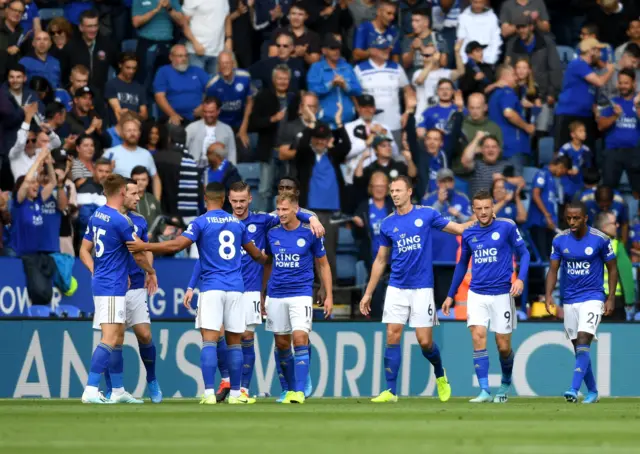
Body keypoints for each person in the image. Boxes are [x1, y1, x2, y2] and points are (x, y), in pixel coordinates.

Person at [127, 182, 266, 405]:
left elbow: (175, 246)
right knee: (235, 344)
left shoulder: (200, 222)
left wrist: (145, 246)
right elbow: (256, 255)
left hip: (212, 288)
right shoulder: (237, 224)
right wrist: (268, 260)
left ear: (205, 199)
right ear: (224, 200)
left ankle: (210, 393)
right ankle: (238, 394)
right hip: (236, 289)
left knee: (210, 342)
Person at [184, 181, 323, 400]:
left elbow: (291, 212)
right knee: (215, 334)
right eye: (234, 200)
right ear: (227, 200)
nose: (238, 205)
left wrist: (312, 217)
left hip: (248, 290)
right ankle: (228, 380)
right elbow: (203, 258)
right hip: (221, 286)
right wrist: (192, 285)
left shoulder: (262, 220)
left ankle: (244, 388)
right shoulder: (219, 222)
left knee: (245, 336)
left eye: (242, 200)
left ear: (250, 199)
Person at [359, 175, 472, 403]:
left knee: (424, 342)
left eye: (398, 190)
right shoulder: (388, 223)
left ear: (409, 191)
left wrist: (481, 219)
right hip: (397, 287)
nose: (394, 194)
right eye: (392, 191)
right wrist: (368, 292)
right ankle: (390, 391)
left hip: (421, 288)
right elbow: (381, 260)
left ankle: (440, 374)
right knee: (392, 335)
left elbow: (459, 228)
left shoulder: (426, 214)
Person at [443, 190, 530, 403]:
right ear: (473, 210)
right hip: (477, 294)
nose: (483, 212)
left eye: (486, 208)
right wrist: (450, 294)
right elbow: (462, 263)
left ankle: (506, 380)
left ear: (493, 207)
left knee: (503, 346)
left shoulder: (507, 226)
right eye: (478, 209)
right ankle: (483, 390)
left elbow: (524, 253)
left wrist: (520, 280)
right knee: (478, 336)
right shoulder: (469, 232)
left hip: (502, 294)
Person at [80, 179, 162, 403]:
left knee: (115, 336)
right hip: (113, 285)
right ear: (121, 192)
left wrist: (99, 271)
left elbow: (86, 250)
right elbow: (137, 254)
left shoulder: (98, 214)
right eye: (130, 192)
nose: (135, 196)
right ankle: (90, 389)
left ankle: (117, 391)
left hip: (108, 283)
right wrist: (151, 271)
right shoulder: (120, 220)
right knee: (110, 338)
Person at [263, 192, 333, 404]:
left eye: (285, 209)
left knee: (300, 338)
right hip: (276, 294)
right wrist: (262, 291)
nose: (282, 213)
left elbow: (323, 264)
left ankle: (300, 392)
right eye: (279, 209)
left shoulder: (310, 232)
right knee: (282, 344)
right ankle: (289, 389)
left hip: (301, 294)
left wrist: (328, 294)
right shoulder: (272, 232)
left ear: (296, 210)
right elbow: (267, 263)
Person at [545, 201, 617, 404]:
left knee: (584, 339)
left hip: (593, 297)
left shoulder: (600, 239)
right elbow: (553, 269)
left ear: (585, 218)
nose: (572, 221)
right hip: (569, 299)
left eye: (576, 218)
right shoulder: (559, 240)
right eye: (568, 218)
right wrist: (549, 295)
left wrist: (610, 297)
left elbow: (612, 268)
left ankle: (573, 389)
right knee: (579, 348)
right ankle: (593, 391)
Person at [554, 38, 616, 153]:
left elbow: (589, 93)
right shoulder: (578, 64)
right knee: (562, 154)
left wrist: (596, 111)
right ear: (591, 51)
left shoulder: (589, 68)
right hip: (569, 114)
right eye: (598, 50)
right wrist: (610, 70)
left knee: (586, 153)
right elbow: (600, 82)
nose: (600, 54)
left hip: (585, 115)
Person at [355, 35, 415, 145]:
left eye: (387, 48)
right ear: (372, 50)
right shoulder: (359, 69)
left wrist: (407, 112)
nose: (387, 51)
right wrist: (359, 111)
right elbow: (353, 95)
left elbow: (408, 91)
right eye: (382, 48)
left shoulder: (397, 68)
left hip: (394, 123)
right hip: (369, 125)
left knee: (395, 157)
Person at [596, 69, 640, 194]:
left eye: (626, 83)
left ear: (634, 84)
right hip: (613, 152)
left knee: (638, 192)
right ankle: (608, 213)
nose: (623, 86)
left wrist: (637, 106)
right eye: (620, 83)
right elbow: (600, 126)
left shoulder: (639, 102)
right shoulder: (612, 103)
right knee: (608, 191)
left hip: (635, 152)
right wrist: (615, 116)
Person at [503, 17, 562, 108]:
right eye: (518, 28)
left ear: (531, 27)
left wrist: (552, 93)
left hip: (543, 97)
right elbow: (508, 69)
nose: (521, 30)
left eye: (524, 27)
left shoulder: (546, 42)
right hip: (520, 97)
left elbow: (555, 68)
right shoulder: (512, 44)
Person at [306, 33, 361, 129]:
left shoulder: (347, 67)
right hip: (325, 123)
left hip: (348, 122)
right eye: (332, 48)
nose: (336, 51)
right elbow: (312, 92)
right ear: (324, 50)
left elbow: (358, 90)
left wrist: (345, 86)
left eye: (338, 48)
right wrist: (330, 84)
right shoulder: (316, 68)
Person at [204, 51, 253, 157]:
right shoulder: (212, 85)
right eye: (222, 63)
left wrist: (243, 128)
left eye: (227, 63)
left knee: (246, 152)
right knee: (219, 154)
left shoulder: (245, 77)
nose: (225, 66)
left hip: (239, 125)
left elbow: (249, 102)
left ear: (233, 63)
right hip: (220, 125)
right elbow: (208, 111)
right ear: (218, 66)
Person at [488, 64, 535, 174]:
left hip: (501, 147)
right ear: (505, 77)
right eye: (513, 75)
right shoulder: (507, 92)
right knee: (513, 185)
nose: (516, 78)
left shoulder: (494, 95)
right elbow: (508, 113)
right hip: (513, 148)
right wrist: (527, 127)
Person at [62, 10, 118, 98]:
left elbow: (118, 66)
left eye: (95, 26)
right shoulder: (70, 47)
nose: (93, 30)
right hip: (77, 97)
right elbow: (63, 74)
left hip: (100, 96)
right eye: (89, 26)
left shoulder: (107, 44)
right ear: (81, 27)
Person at [105, 118, 161, 201]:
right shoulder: (110, 153)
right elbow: (100, 177)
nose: (132, 133)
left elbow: (155, 178)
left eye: (135, 130)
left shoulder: (146, 154)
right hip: (118, 201)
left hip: (141, 202)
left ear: (139, 133)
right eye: (129, 130)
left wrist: (156, 201)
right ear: (122, 133)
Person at [527, 155, 571, 260]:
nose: (561, 175)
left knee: (550, 255)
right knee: (542, 256)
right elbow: (535, 195)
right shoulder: (542, 174)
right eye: (563, 171)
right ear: (560, 166)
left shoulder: (551, 179)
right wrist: (546, 214)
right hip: (538, 223)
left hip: (548, 225)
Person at [153, 44, 209, 125]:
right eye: (180, 56)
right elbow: (159, 96)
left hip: (198, 116)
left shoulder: (197, 71)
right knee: (176, 131)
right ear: (171, 57)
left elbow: (212, 89)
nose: (184, 59)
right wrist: (172, 114)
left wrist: (204, 106)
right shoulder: (163, 71)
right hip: (174, 117)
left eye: (186, 56)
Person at [412, 41, 465, 125]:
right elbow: (420, 80)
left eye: (427, 55)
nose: (424, 58)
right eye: (423, 55)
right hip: (421, 117)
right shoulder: (418, 73)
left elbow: (461, 72)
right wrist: (432, 62)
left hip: (442, 118)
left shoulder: (446, 73)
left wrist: (457, 52)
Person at [185, 96, 237, 168]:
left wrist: (231, 172)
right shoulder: (191, 128)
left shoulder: (227, 130)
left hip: (219, 171)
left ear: (218, 111)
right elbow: (184, 151)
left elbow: (232, 154)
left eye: (211, 112)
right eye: (205, 111)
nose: (207, 115)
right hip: (195, 169)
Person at [182, 0, 231, 74]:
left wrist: (229, 38)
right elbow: (184, 23)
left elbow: (227, 17)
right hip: (196, 51)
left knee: (214, 84)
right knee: (197, 84)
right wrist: (194, 42)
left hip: (218, 52)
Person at [267, 2, 321, 66]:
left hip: (306, 74)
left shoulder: (314, 36)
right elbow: (272, 58)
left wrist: (304, 54)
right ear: (289, 15)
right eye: (293, 13)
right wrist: (293, 54)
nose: (296, 18)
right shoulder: (278, 32)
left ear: (306, 17)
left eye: (300, 14)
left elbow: (316, 63)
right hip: (282, 72)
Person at [401, 8, 448, 77]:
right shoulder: (408, 38)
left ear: (426, 22)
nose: (413, 24)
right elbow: (405, 65)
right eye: (412, 20)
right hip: (413, 78)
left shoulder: (437, 37)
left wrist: (422, 48)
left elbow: (443, 63)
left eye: (417, 21)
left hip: (432, 78)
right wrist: (412, 49)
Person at [104, 53, 148, 125]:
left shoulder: (140, 88)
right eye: (128, 67)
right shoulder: (111, 84)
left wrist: (131, 113)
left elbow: (144, 115)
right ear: (120, 65)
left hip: (136, 127)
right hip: (118, 127)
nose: (131, 71)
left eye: (134, 68)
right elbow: (117, 112)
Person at [457, 0, 502, 65]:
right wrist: (465, 60)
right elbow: (461, 41)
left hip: (489, 60)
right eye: (475, 2)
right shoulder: (463, 17)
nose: (478, 5)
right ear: (471, 1)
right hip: (469, 61)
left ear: (485, 2)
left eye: (481, 2)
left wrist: (491, 59)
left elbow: (496, 40)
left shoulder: (492, 17)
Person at [558, 121, 592, 203]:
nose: (584, 133)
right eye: (580, 131)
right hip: (566, 181)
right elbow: (559, 164)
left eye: (584, 131)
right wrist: (568, 171)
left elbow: (588, 167)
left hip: (580, 182)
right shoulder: (565, 148)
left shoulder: (586, 150)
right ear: (573, 134)